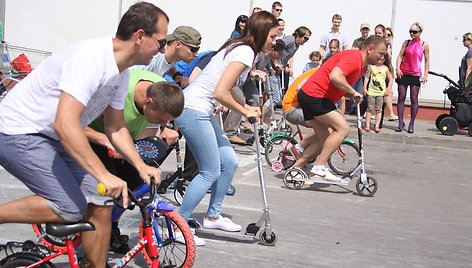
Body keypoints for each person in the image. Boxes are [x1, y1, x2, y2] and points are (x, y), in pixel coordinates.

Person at [0, 2, 168, 267]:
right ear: (139, 36)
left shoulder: (121, 72)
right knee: (69, 206)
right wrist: (104, 174)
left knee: (102, 202)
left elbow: (115, 127)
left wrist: (140, 164)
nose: (163, 49)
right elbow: (65, 124)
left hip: (51, 136)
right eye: (162, 41)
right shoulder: (91, 58)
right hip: (19, 130)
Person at [174, 11, 279, 245]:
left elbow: (228, 89)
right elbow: (220, 92)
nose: (273, 41)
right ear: (261, 33)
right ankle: (178, 224)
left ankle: (212, 216)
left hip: (203, 109)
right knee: (209, 171)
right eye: (272, 36)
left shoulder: (242, 49)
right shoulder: (244, 51)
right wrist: (245, 112)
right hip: (193, 109)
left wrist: (246, 107)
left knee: (229, 162)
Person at [85, 70, 184, 252]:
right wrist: (106, 140)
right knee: (109, 189)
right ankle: (94, 247)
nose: (162, 123)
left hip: (122, 141)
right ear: (148, 103)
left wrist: (164, 128)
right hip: (92, 137)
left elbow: (154, 122)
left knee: (136, 185)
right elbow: (74, 125)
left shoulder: (163, 90)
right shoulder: (117, 90)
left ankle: (111, 224)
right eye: (161, 120)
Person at [298, 35, 387, 181]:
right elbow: (335, 76)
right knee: (343, 128)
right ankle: (319, 167)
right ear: (370, 49)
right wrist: (353, 92)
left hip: (313, 96)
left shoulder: (363, 65)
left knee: (324, 138)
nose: (382, 57)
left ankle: (295, 170)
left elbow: (337, 82)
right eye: (381, 53)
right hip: (315, 96)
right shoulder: (355, 58)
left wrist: (351, 94)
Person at [395, 22, 430, 134]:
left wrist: (425, 74)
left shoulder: (424, 44)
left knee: (414, 98)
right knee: (401, 97)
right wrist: (398, 68)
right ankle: (400, 122)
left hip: (415, 74)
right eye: (410, 31)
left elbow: (427, 60)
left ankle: (411, 123)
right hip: (404, 72)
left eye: (414, 32)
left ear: (420, 33)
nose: (412, 33)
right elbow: (400, 56)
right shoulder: (407, 42)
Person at [282, 68, 318, 162]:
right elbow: (300, 88)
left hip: (297, 107)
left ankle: (307, 149)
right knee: (320, 125)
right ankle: (298, 148)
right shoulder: (316, 73)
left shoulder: (316, 71)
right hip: (291, 108)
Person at [363, 52, 393, 133]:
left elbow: (391, 79)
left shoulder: (385, 68)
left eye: (382, 57)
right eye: (379, 56)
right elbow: (367, 77)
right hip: (371, 91)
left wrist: (388, 89)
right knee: (369, 109)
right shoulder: (372, 67)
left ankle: (376, 125)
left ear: (385, 59)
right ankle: (367, 125)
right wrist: (365, 88)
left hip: (380, 93)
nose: (380, 59)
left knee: (379, 110)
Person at [348, 23, 371, 115]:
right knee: (353, 86)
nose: (365, 31)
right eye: (363, 29)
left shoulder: (370, 41)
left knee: (363, 88)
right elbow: (353, 51)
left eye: (366, 29)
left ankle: (362, 109)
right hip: (357, 66)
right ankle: (353, 108)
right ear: (360, 30)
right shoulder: (357, 41)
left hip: (366, 67)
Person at [383, 26, 398, 121]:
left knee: (388, 92)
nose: (387, 36)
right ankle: (391, 114)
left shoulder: (389, 45)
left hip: (388, 68)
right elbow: (386, 57)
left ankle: (387, 113)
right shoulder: (383, 45)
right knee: (386, 92)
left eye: (389, 35)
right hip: (382, 69)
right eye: (386, 34)